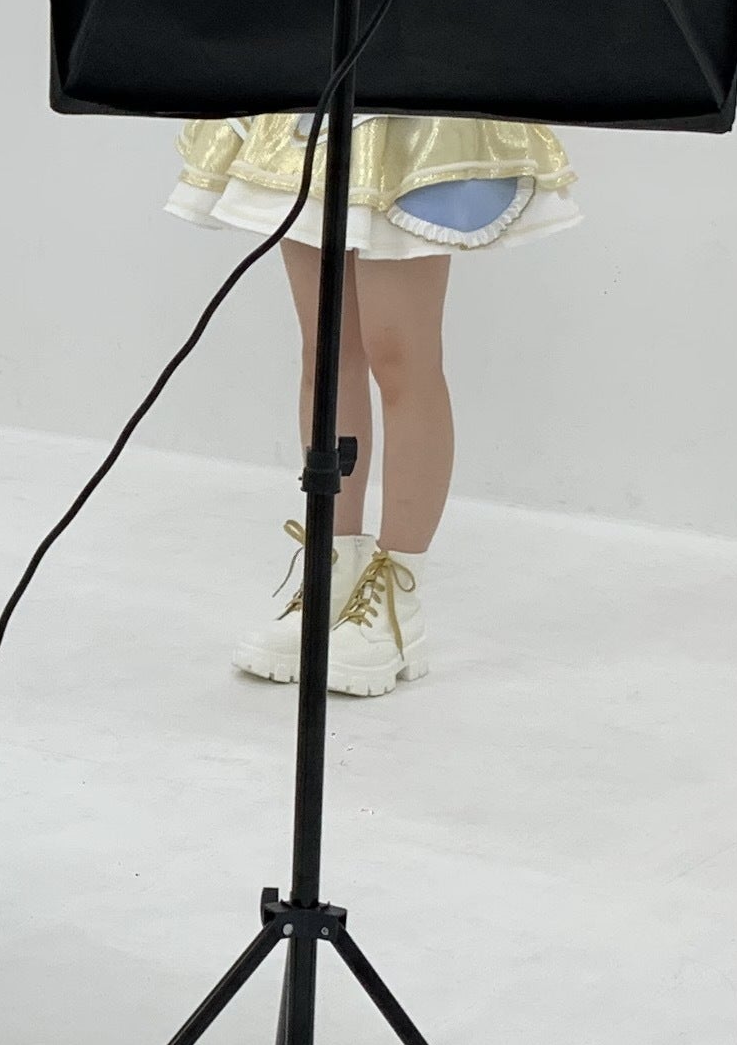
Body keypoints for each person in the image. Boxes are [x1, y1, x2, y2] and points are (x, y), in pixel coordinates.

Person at [166, 109, 581, 694]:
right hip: (320, 100)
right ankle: (332, 573)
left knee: (401, 356)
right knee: (326, 348)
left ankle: (396, 600)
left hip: (413, 110)